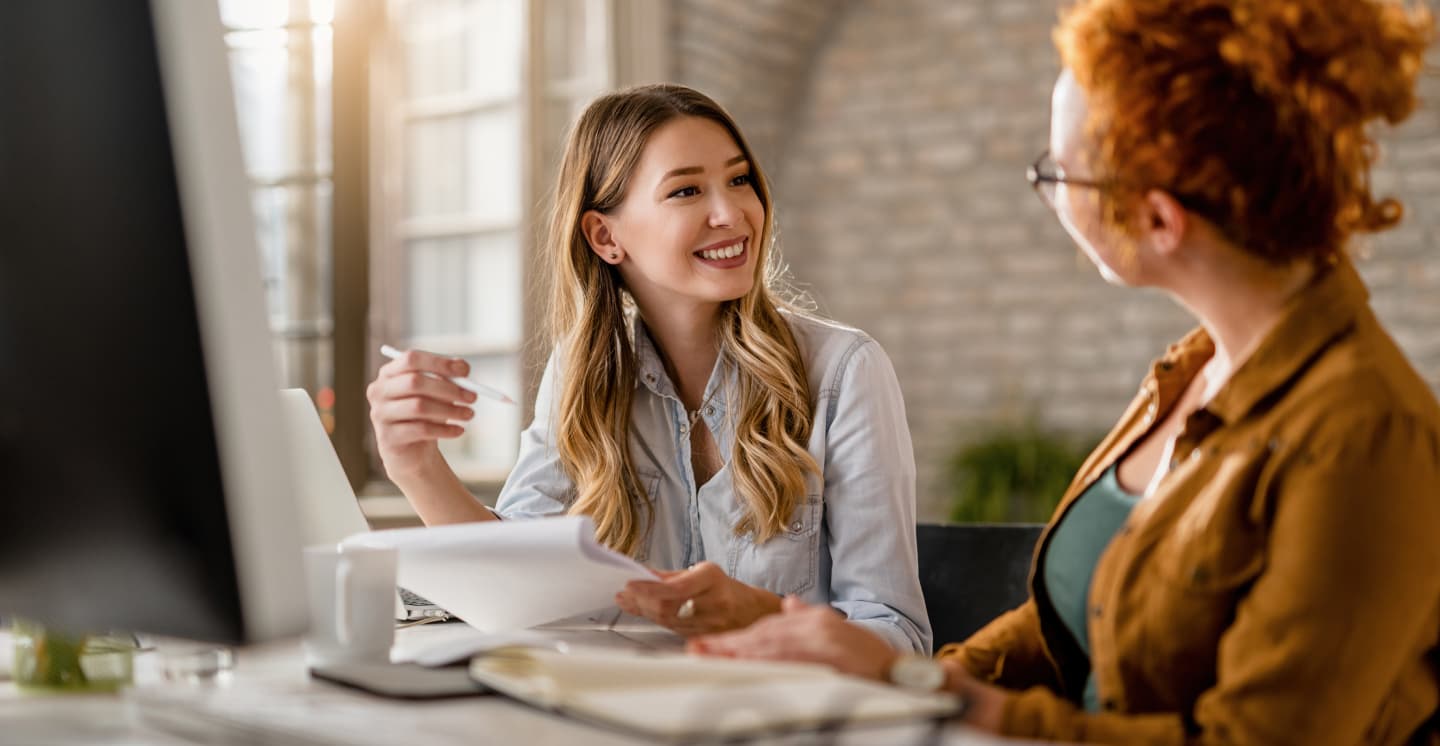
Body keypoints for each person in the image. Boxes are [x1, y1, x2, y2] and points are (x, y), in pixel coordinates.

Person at [689, 1, 1440, 741]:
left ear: (1158, 219)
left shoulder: (1366, 436)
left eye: (1059, 175)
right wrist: (907, 680)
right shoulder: (1190, 373)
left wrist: (934, 694)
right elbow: (1070, 625)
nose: (1049, 194)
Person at [367, 84, 931, 653]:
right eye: (687, 190)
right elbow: (512, 584)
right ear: (605, 236)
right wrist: (416, 467)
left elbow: (899, 638)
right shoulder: (582, 375)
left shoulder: (843, 372)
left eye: (739, 180)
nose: (732, 213)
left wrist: (754, 614)